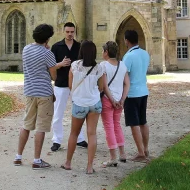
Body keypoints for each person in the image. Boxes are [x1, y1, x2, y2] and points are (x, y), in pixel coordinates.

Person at [13, 24, 57, 169]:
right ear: (48, 38)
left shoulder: (26, 49)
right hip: (44, 93)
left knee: (26, 124)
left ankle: (18, 156)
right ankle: (37, 160)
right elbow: (53, 75)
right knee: (41, 127)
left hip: (30, 91)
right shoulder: (47, 53)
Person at [61, 40, 104, 174]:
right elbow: (101, 87)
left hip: (79, 103)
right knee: (92, 134)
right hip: (94, 103)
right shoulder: (99, 68)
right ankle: (90, 166)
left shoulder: (74, 66)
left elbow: (70, 85)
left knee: (74, 133)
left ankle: (68, 163)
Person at [50, 22, 87, 151]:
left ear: (75, 32)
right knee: (58, 113)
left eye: (72, 32)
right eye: (68, 32)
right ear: (63, 31)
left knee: (79, 113)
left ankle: (80, 138)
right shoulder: (56, 47)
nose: (70, 34)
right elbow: (51, 66)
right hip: (60, 84)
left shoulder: (80, 46)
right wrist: (60, 64)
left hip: (77, 85)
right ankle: (56, 140)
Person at [122, 29, 150, 162]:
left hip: (132, 93)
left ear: (126, 41)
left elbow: (124, 76)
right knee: (143, 121)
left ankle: (140, 153)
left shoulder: (128, 56)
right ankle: (145, 149)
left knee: (134, 124)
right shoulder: (145, 53)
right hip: (143, 91)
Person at [100, 40, 130, 167]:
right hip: (119, 99)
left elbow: (104, 86)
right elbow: (127, 84)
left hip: (108, 100)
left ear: (106, 52)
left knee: (109, 127)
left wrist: (112, 100)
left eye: (103, 50)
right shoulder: (122, 65)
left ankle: (113, 157)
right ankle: (122, 154)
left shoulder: (103, 66)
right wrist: (122, 100)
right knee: (117, 125)